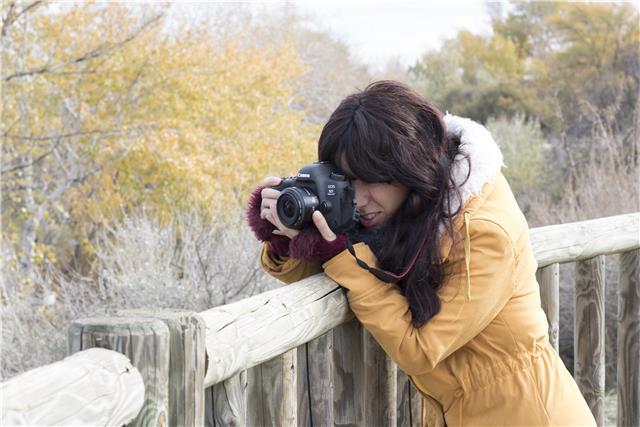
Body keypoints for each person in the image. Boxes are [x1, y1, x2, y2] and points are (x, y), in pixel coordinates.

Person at [246, 80, 596, 426]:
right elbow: (326, 269)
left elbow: (421, 349)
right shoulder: (409, 214)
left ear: (409, 167)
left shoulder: (484, 232)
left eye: (372, 179)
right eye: (348, 181)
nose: (360, 197)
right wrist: (286, 234)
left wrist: (340, 255)